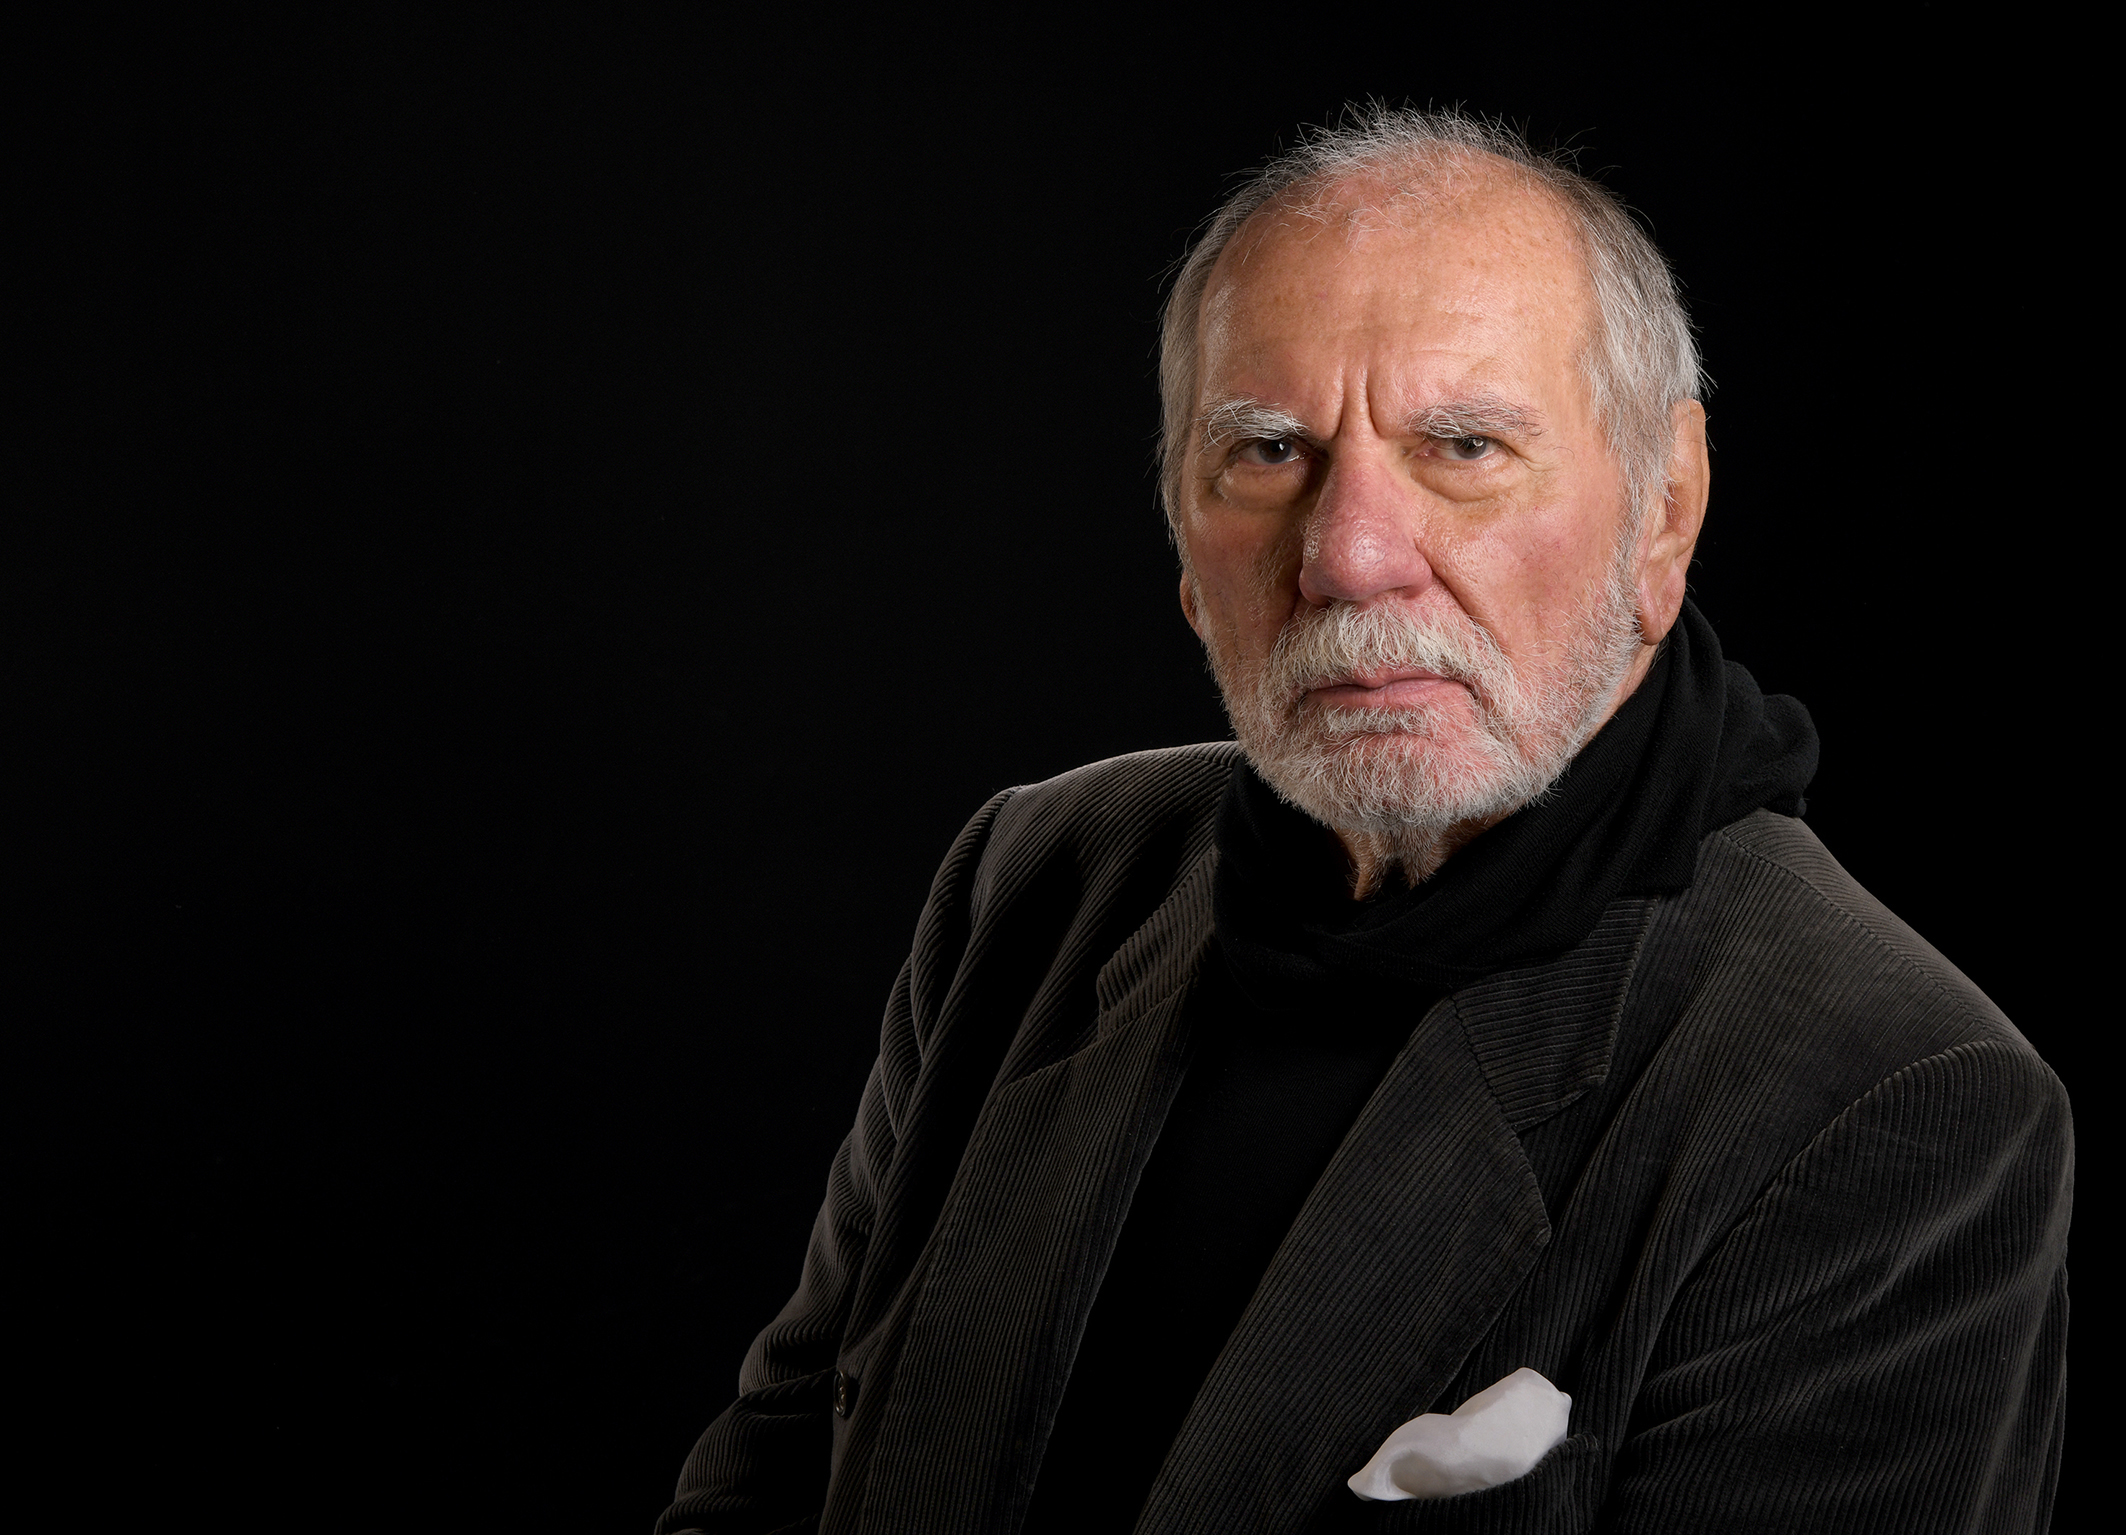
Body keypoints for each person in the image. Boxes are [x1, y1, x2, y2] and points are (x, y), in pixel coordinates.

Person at [658, 109, 2071, 1534]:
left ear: (1665, 508)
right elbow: (770, 1478)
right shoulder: (1036, 878)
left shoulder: (1891, 1096)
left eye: (1462, 444)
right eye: (1269, 449)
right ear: (1181, 538)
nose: (1346, 556)